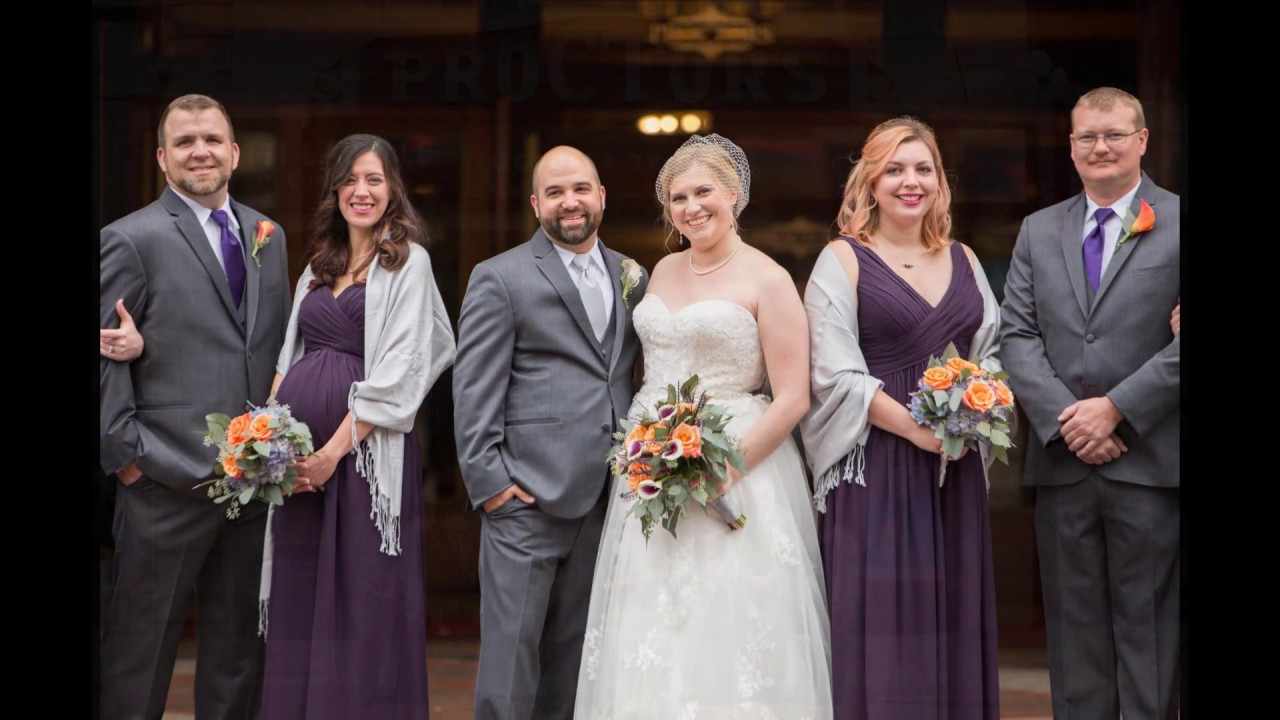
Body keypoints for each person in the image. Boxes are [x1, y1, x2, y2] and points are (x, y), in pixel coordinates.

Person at [575, 133, 832, 718]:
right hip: (649, 461)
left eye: (703, 192)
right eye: (677, 197)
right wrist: (653, 450)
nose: (691, 207)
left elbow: (792, 398)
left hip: (740, 464)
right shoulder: (661, 271)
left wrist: (721, 472)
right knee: (649, 617)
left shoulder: (768, 278)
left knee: (732, 616)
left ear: (734, 193)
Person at [799, 116, 1003, 719]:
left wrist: (970, 417)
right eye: (894, 169)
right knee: (885, 632)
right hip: (876, 471)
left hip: (955, 471)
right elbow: (831, 372)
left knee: (953, 622)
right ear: (870, 181)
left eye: (923, 169)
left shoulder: (965, 258)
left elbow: (989, 354)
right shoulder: (843, 259)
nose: (910, 182)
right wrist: (919, 430)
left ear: (941, 182)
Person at [99, 93, 292, 720]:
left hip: (250, 484)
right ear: (162, 158)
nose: (200, 151)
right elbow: (104, 356)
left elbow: (269, 344)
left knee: (238, 658)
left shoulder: (269, 236)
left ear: (234, 153)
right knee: (140, 655)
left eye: (211, 139)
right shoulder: (130, 239)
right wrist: (127, 459)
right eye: (184, 142)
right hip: (162, 483)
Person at [260, 134, 456, 719]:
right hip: (294, 470)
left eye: (374, 179)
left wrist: (330, 455)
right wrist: (265, 442)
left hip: (362, 467)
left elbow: (401, 374)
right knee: (298, 603)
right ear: (335, 190)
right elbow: (285, 359)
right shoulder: (319, 264)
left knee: (360, 604)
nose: (362, 191)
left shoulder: (407, 263)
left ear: (392, 188)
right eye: (350, 180)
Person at [999, 87, 1180, 719]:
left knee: (1149, 637)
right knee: (1074, 642)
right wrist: (1069, 420)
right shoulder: (1038, 229)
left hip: (1150, 462)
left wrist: (1117, 408)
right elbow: (1015, 334)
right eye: (1086, 137)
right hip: (1064, 462)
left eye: (1114, 135)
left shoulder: (1181, 220)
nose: (1100, 147)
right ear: (1070, 145)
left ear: (1142, 141)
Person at [453, 145, 646, 720]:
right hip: (524, 498)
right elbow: (473, 388)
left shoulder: (632, 276)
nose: (571, 202)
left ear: (602, 196)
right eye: (556, 192)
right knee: (511, 660)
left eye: (581, 189)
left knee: (573, 657)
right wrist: (491, 484)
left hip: (604, 499)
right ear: (536, 203)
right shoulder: (500, 276)